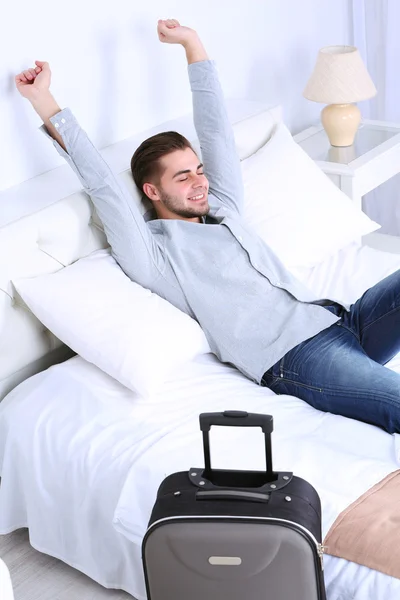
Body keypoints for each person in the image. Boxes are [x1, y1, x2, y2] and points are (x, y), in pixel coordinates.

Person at [15, 19, 400, 434]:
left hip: (336, 319)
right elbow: (102, 185)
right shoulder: (155, 255)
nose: (200, 181)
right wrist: (44, 101)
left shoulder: (224, 207)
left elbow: (215, 130)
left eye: (198, 170)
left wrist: (192, 45)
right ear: (152, 191)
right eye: (182, 177)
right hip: (295, 357)